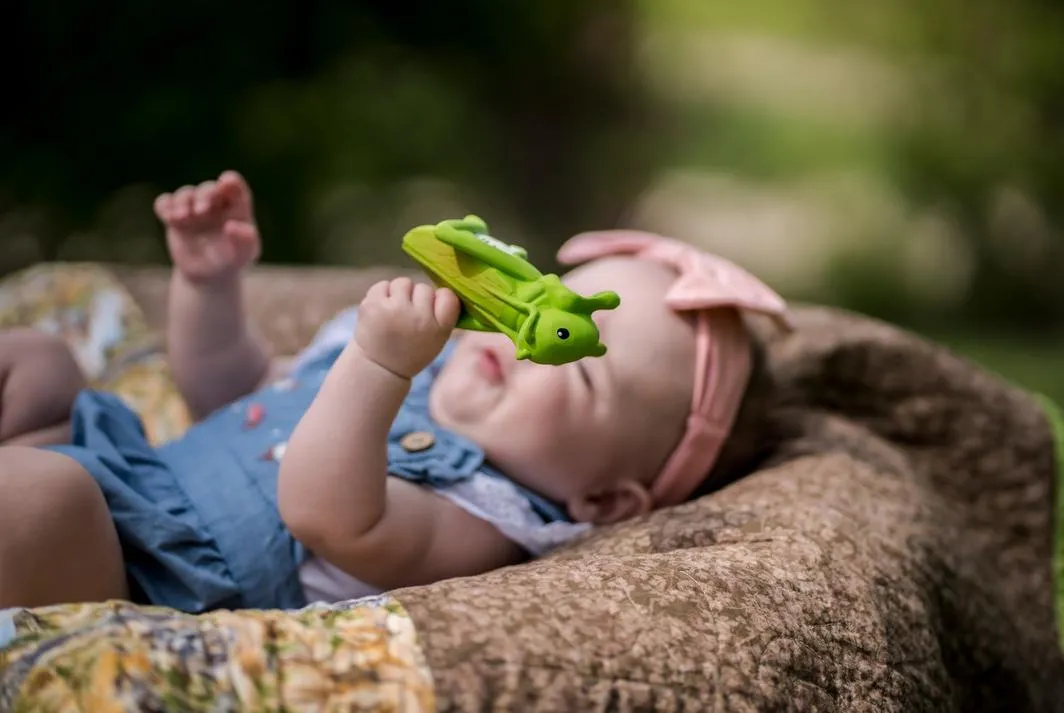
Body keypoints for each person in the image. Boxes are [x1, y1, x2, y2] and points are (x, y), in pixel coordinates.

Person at [0, 171, 790, 612]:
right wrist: (210, 285)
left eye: (575, 361)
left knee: (45, 496)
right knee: (37, 361)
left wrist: (380, 368)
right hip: (128, 470)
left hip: (138, 570)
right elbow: (226, 389)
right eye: (538, 302)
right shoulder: (406, 357)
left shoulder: (482, 513)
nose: (520, 346)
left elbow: (320, 509)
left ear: (606, 499)